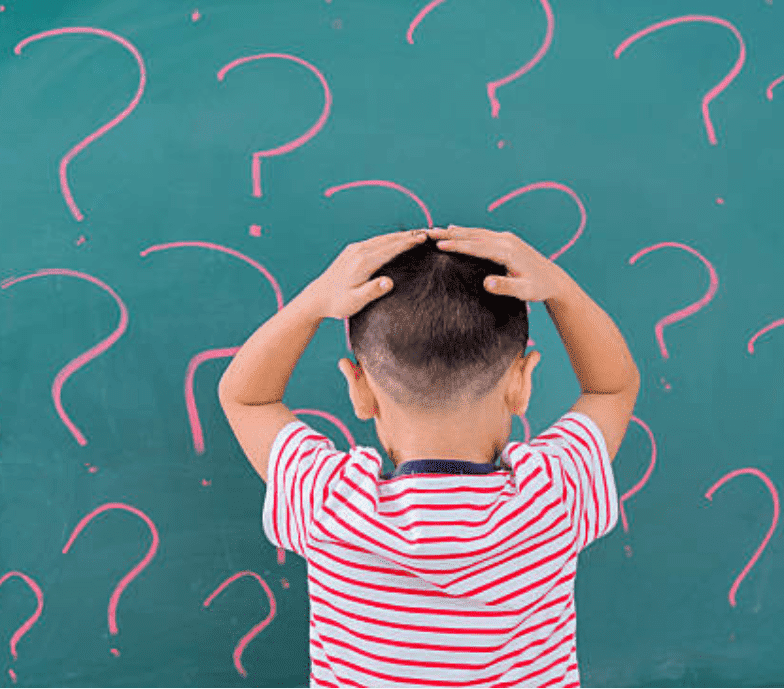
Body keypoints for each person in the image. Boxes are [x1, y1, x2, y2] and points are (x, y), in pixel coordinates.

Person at [218, 224, 641, 687]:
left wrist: (314, 301)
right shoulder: (552, 494)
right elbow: (611, 388)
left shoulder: (328, 502)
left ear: (360, 391)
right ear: (521, 383)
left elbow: (247, 398)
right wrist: (559, 288)